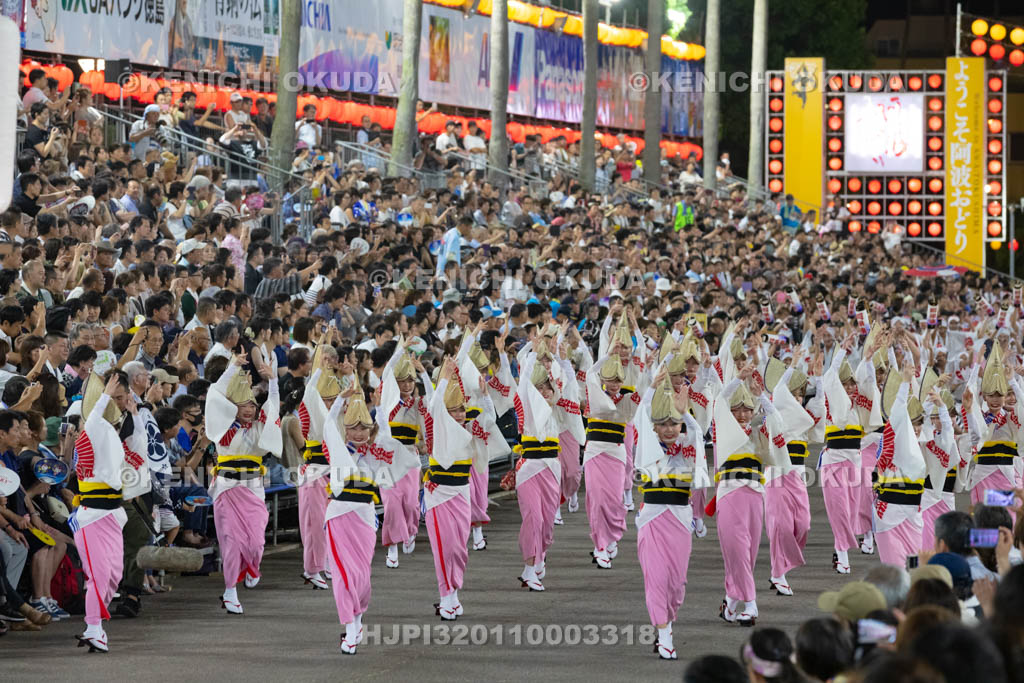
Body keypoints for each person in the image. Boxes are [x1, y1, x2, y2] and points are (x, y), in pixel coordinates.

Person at [321, 376, 416, 654]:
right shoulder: (338, 448)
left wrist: (379, 410)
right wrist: (341, 399)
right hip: (338, 513)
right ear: (346, 429)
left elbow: (387, 438)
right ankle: (349, 627)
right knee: (343, 574)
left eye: (364, 427)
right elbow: (328, 425)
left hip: (363, 515)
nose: (359, 432)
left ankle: (359, 617)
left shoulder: (376, 451)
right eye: (353, 427)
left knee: (361, 573)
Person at [634, 374, 706, 659]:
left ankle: (667, 623)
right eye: (662, 423)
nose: (668, 429)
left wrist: (684, 412)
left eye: (673, 423)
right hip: (652, 517)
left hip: (679, 517)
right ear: (654, 426)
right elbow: (641, 417)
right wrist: (652, 390)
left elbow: (699, 433)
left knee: (677, 583)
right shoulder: (648, 449)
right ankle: (664, 635)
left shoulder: (688, 448)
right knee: (656, 578)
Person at [204, 354, 281, 614]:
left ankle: (252, 566)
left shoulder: (260, 428)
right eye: (241, 404)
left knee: (256, 542)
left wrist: (273, 380)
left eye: (251, 404)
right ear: (232, 407)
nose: (248, 409)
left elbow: (274, 406)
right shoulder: (222, 429)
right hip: (227, 488)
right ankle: (230, 590)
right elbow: (215, 394)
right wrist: (233, 367)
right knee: (231, 542)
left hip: (253, 488)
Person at [424, 358, 492, 620]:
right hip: (439, 493)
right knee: (445, 548)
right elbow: (434, 406)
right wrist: (443, 377)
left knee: (460, 548)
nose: (459, 414)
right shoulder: (438, 425)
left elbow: (489, 419)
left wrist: (485, 396)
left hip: (462, 491)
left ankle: (454, 593)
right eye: (453, 411)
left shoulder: (468, 428)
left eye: (461, 410)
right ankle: (446, 597)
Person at [68, 372, 131, 652]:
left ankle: (95, 625)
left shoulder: (105, 435)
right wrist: (104, 394)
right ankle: (93, 627)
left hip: (112, 515)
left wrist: (134, 412)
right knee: (99, 574)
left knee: (114, 575)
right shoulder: (89, 434)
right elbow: (94, 421)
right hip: (91, 516)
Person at [378, 346, 431, 569]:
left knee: (410, 503)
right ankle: (392, 546)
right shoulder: (386, 403)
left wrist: (424, 374)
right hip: (388, 460)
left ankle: (409, 531)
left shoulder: (419, 405)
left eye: (410, 380)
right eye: (402, 381)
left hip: (409, 458)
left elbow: (435, 399)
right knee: (391, 505)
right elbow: (385, 374)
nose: (407, 385)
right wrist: (398, 351)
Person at [295, 340, 341, 590]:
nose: (331, 401)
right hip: (314, 471)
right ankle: (311, 569)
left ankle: (326, 563)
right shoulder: (312, 405)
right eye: (329, 398)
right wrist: (321, 356)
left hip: (333, 473)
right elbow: (311, 388)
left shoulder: (335, 412)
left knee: (330, 521)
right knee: (313, 523)